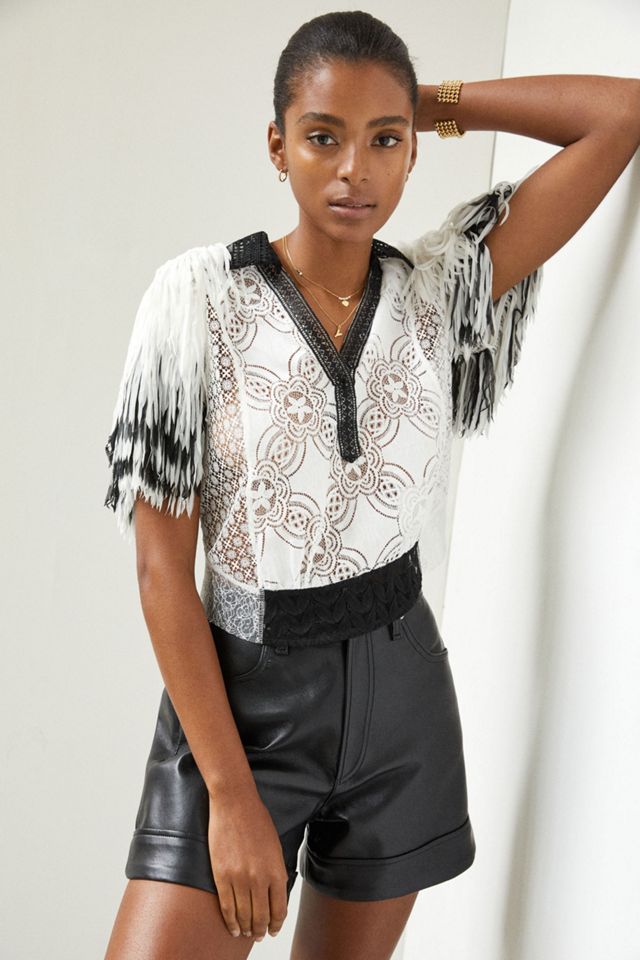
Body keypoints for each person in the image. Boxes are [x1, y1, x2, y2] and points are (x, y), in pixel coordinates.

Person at [102, 10, 640, 960]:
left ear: (414, 150)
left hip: (403, 703)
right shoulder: (198, 304)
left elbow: (620, 114)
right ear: (277, 146)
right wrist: (228, 794)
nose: (355, 170)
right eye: (323, 137)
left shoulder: (438, 291)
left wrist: (422, 102)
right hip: (243, 712)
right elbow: (159, 572)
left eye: (384, 141)